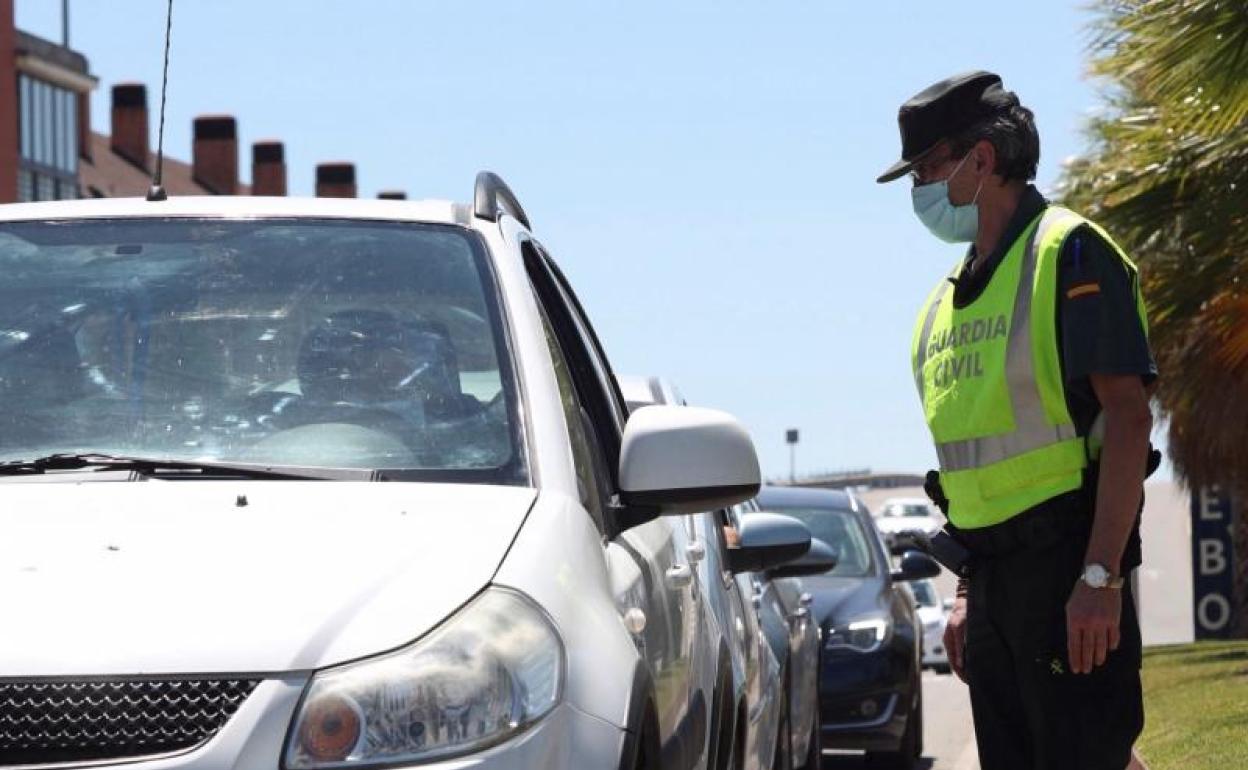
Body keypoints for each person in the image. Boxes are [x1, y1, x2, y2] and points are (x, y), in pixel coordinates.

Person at [877, 71, 1156, 770]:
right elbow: (971, 478)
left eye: (930, 167)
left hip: (1069, 569)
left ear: (983, 158)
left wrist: (1100, 577)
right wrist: (968, 593)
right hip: (996, 588)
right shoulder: (941, 307)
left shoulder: (1069, 253)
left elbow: (1127, 418)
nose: (921, 189)